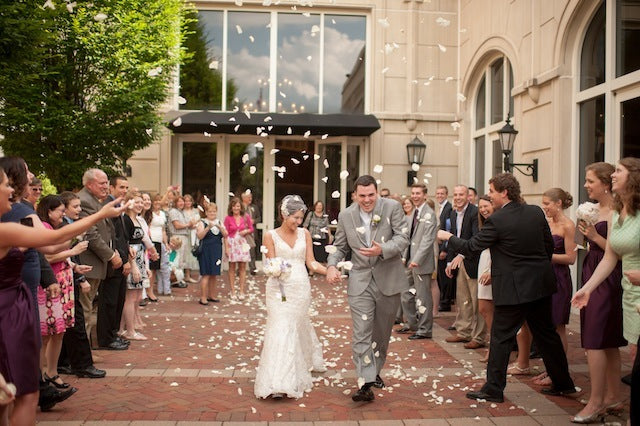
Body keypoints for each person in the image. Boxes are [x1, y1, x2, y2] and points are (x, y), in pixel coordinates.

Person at [0, 167, 124, 425]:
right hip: (8, 311)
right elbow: (53, 239)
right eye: (5, 185)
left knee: (9, 395)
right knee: (23, 393)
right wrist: (99, 214)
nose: (11, 190)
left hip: (17, 305)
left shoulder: (11, 228)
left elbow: (53, 243)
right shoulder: (6, 230)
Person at [438, 173, 575, 403]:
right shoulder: (535, 212)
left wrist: (448, 236)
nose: (490, 196)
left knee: (500, 338)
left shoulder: (498, 220)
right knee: (546, 335)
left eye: (491, 191)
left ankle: (493, 389)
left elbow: (472, 246)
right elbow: (548, 245)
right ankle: (563, 383)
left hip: (514, 289)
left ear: (504, 192)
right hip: (539, 284)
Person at [326, 175, 409, 402]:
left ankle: (375, 370)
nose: (367, 200)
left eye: (371, 195)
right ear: (355, 195)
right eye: (362, 196)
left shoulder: (392, 207)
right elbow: (339, 246)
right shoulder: (346, 215)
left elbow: (403, 238)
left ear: (377, 192)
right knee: (361, 332)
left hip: (388, 279)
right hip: (360, 280)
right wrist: (332, 266)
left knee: (381, 333)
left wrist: (382, 249)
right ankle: (365, 382)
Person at [573, 157, 640, 425]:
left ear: (633, 177)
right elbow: (610, 256)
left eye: (619, 172)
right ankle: (611, 397)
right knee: (631, 353)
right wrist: (586, 289)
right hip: (627, 292)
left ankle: (600, 400)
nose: (614, 175)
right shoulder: (617, 212)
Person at [254, 195, 327, 399]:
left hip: (301, 288)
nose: (298, 222)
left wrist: (328, 270)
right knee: (280, 327)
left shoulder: (305, 234)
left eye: (301, 218)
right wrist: (275, 270)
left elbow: (311, 262)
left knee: (296, 326)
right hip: (279, 289)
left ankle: (304, 359)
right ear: (284, 215)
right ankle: (279, 382)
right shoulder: (270, 236)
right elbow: (270, 264)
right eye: (295, 217)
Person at [36, 195, 88, 390]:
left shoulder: (55, 229)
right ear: (49, 211)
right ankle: (42, 375)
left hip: (64, 282)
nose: (63, 213)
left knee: (59, 332)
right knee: (47, 334)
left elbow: (59, 257)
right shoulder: (45, 228)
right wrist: (72, 251)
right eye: (60, 210)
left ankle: (52, 372)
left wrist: (74, 266)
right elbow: (47, 257)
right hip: (51, 285)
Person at [56, 191, 106, 379]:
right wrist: (81, 278)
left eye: (79, 206)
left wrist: (76, 268)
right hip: (66, 280)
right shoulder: (63, 228)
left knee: (72, 322)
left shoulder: (70, 225)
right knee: (76, 322)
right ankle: (81, 364)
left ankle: (65, 362)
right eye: (75, 207)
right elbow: (63, 253)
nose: (79, 210)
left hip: (73, 273)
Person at [444, 185, 484, 350]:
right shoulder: (453, 213)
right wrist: (449, 261)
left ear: (468, 196)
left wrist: (461, 256)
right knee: (463, 300)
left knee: (477, 302)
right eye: (455, 194)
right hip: (459, 262)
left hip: (474, 262)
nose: (458, 197)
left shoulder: (475, 213)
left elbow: (476, 239)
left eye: (461, 194)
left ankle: (479, 337)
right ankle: (463, 332)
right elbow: (454, 238)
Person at [397, 183, 438, 340]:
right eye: (413, 193)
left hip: (421, 263)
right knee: (405, 294)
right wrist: (403, 256)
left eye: (418, 193)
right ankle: (412, 324)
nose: (414, 196)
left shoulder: (429, 214)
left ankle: (425, 329)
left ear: (425, 195)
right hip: (408, 261)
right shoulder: (414, 213)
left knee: (423, 297)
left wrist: (416, 260)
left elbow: (427, 240)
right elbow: (408, 237)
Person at [195, 203, 227, 305]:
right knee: (206, 274)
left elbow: (226, 235)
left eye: (214, 211)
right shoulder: (202, 222)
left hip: (216, 250)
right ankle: (203, 297)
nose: (212, 213)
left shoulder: (219, 222)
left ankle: (212, 295)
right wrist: (208, 227)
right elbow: (200, 236)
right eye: (210, 211)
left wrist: (220, 227)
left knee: (214, 274)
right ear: (206, 212)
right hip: (205, 251)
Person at [476, 195, 494, 363]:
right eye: (480, 207)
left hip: (493, 263)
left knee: (487, 308)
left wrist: (492, 270)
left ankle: (495, 348)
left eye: (486, 206)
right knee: (484, 308)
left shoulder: (498, 222)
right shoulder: (485, 224)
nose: (483, 210)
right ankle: (494, 346)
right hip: (484, 260)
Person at [224, 197, 253, 300]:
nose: (236, 208)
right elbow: (225, 234)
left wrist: (245, 231)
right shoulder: (228, 218)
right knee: (231, 268)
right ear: (231, 208)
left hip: (242, 244)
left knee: (242, 268)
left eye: (238, 206)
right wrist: (226, 248)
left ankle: (241, 291)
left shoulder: (246, 217)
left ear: (240, 207)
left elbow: (251, 228)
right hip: (232, 243)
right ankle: (233, 291)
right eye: (234, 206)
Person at [145, 193, 172, 296]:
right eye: (155, 201)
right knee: (150, 267)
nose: (157, 203)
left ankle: (151, 289)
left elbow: (163, 230)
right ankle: (148, 291)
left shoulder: (162, 214)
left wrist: (165, 243)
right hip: (151, 241)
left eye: (159, 201)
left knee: (155, 268)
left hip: (159, 241)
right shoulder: (149, 213)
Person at [168, 196, 196, 284]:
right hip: (177, 237)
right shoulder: (173, 211)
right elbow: (177, 225)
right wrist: (188, 224)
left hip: (184, 236)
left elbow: (185, 225)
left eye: (182, 201)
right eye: (179, 202)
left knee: (182, 259)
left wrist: (191, 225)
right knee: (177, 259)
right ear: (175, 203)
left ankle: (180, 278)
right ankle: (175, 279)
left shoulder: (181, 212)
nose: (182, 203)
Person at [435, 185, 454, 312]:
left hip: (444, 248)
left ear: (446, 195)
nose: (439, 196)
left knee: (445, 277)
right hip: (439, 245)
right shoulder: (440, 208)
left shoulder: (448, 208)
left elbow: (448, 229)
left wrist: (444, 249)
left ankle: (445, 302)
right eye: (438, 194)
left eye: (442, 193)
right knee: (440, 276)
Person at [302, 200, 331, 264]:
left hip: (322, 238)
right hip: (311, 238)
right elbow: (305, 225)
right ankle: (311, 272)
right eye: (318, 206)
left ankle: (320, 272)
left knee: (321, 256)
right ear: (315, 206)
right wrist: (303, 236)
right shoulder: (311, 214)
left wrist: (330, 236)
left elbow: (327, 227)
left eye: (320, 206)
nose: (319, 207)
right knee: (312, 256)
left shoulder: (325, 216)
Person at [182, 194, 201, 282]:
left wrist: (195, 224)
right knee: (184, 254)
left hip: (193, 234)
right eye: (186, 201)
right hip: (185, 233)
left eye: (189, 201)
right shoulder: (181, 212)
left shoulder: (195, 211)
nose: (188, 203)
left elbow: (198, 220)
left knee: (191, 254)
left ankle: (188, 275)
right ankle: (182, 275)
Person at [242, 190, 261, 275]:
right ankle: (241, 270)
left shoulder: (254, 207)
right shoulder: (241, 207)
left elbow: (259, 218)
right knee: (242, 251)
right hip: (242, 232)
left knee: (252, 251)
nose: (250, 199)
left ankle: (252, 269)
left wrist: (254, 221)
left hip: (252, 232)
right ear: (243, 198)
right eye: (248, 197)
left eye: (251, 197)